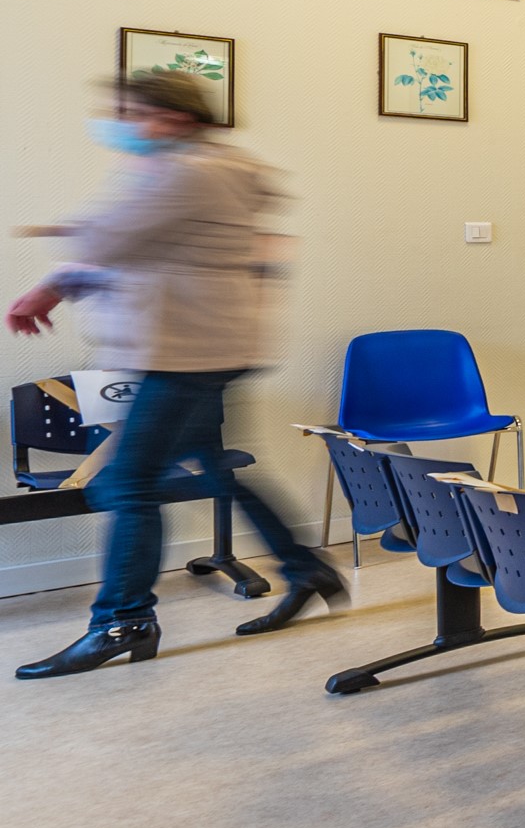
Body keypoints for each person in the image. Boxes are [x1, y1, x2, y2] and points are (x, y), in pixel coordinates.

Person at [6, 74, 346, 681]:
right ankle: (305, 568)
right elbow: (142, 253)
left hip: (186, 357)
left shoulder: (192, 172)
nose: (124, 127)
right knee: (217, 468)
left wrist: (54, 273)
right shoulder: (210, 169)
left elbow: (110, 236)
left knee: (126, 484)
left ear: (177, 118)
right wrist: (58, 283)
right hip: (200, 350)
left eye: (136, 114)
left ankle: (122, 620)